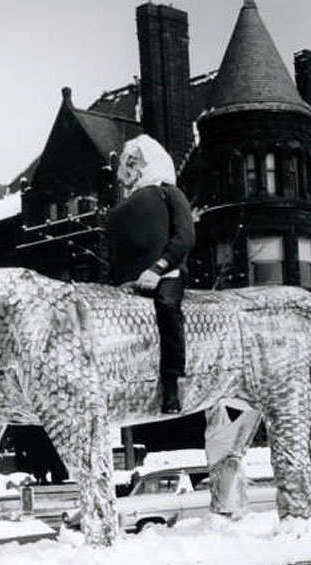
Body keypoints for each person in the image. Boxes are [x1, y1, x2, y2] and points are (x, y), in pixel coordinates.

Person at [107, 134, 195, 414]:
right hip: (128, 281)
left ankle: (173, 384)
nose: (129, 172)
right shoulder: (121, 208)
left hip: (166, 274)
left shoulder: (170, 192)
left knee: (167, 306)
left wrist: (158, 268)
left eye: (135, 164)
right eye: (127, 165)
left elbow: (185, 237)